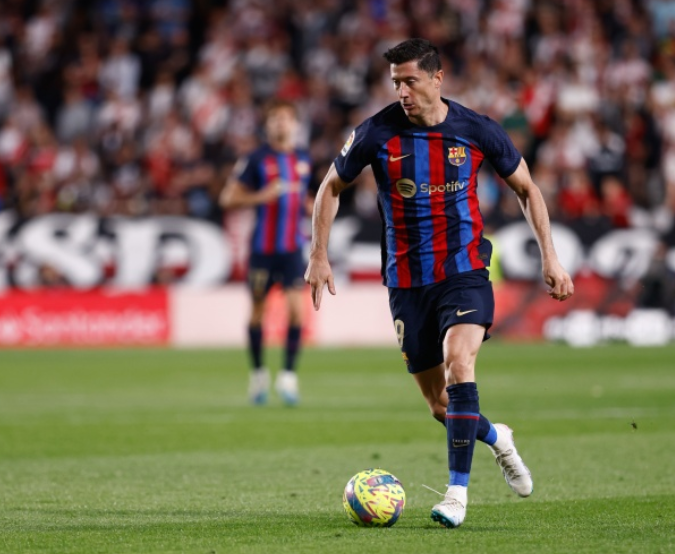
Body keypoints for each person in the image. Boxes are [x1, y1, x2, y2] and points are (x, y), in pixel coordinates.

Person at [304, 39, 574, 528]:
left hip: (464, 271)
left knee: (459, 363)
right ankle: (497, 437)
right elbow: (330, 187)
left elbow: (527, 189)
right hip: (407, 282)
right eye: (395, 83)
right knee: (439, 405)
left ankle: (456, 494)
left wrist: (550, 257)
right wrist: (319, 253)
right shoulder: (375, 132)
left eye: (410, 81)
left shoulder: (476, 129)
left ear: (437, 78)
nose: (402, 92)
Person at [220, 99, 313, 406]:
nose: (280, 123)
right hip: (262, 249)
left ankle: (288, 376)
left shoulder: (304, 158)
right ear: (267, 125)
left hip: (292, 249)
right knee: (258, 311)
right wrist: (261, 196)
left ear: (295, 124)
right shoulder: (255, 159)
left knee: (297, 310)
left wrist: (311, 206)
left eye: (286, 118)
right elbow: (227, 198)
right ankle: (259, 374)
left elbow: (306, 197)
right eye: (275, 118)